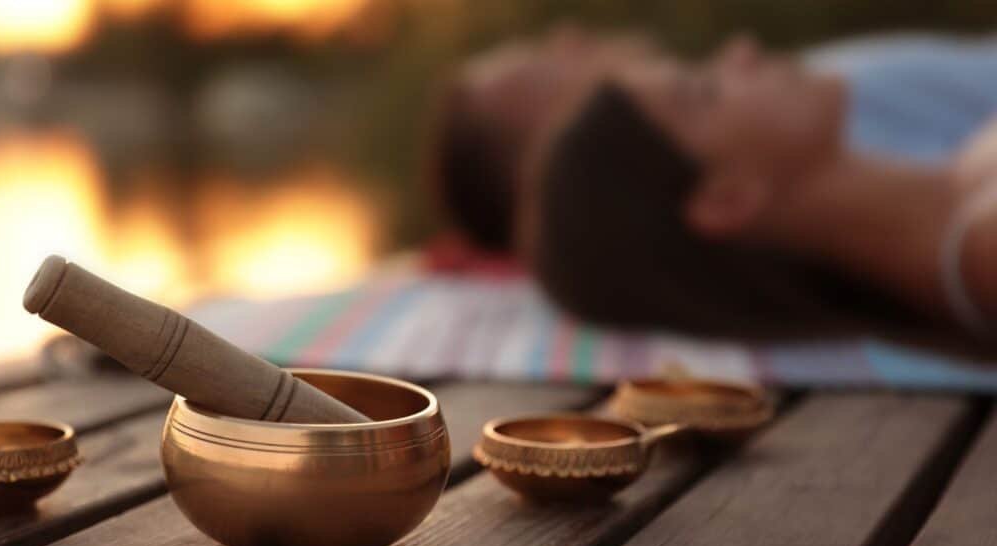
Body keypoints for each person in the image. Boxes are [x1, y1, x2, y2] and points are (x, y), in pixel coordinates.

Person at [427, 29, 997, 338]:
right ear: (727, 198)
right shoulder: (982, 249)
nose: (744, 50)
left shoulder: (969, 179)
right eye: (705, 90)